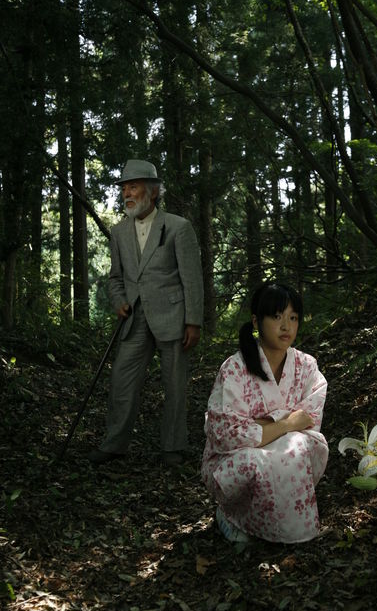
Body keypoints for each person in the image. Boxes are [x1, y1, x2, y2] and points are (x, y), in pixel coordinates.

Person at [88, 159, 204, 467]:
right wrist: (118, 300)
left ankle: (173, 446)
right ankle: (114, 444)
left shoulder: (178, 227)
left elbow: (192, 278)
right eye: (124, 188)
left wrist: (193, 321)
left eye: (133, 187)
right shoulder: (118, 232)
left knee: (174, 384)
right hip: (134, 319)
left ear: (152, 192)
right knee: (121, 380)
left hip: (173, 316)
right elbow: (115, 278)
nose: (127, 193)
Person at [201, 282, 328, 543]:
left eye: (293, 318)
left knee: (304, 444)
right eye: (277, 316)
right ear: (256, 321)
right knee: (253, 460)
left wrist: (258, 425)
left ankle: (280, 527)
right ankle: (232, 515)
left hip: (283, 451)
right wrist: (285, 424)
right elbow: (227, 434)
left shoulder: (307, 366)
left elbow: (308, 419)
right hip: (236, 456)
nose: (286, 326)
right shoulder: (235, 369)